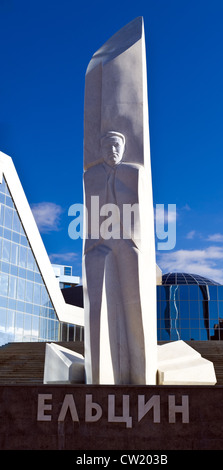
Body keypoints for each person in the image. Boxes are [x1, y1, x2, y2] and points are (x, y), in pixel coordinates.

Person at [83, 131, 157, 384]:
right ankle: (100, 375)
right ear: (101, 149)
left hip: (128, 240)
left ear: (123, 149)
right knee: (97, 305)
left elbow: (139, 210)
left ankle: (139, 373)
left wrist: (134, 243)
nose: (113, 150)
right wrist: (92, 243)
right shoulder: (90, 176)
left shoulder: (134, 173)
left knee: (134, 301)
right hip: (100, 241)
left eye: (117, 145)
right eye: (108, 146)